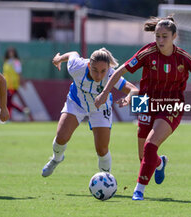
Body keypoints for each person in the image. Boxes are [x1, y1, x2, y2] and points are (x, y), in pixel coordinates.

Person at [94, 16, 191, 200]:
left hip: (172, 105)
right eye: (157, 36)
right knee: (144, 157)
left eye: (164, 36)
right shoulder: (147, 53)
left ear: (174, 36)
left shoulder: (183, 58)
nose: (160, 40)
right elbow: (119, 72)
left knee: (150, 146)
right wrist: (104, 94)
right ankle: (159, 163)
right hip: (145, 102)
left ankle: (138, 191)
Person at [41, 48, 138, 177]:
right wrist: (59, 59)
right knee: (61, 137)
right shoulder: (77, 67)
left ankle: (106, 178)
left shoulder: (111, 75)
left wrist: (128, 98)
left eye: (103, 71)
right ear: (88, 65)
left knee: (102, 150)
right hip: (77, 103)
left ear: (108, 68)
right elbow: (73, 54)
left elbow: (134, 90)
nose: (99, 76)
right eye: (95, 70)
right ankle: (56, 159)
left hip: (100, 108)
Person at [3, 47, 29, 119]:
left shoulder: (16, 62)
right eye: (9, 52)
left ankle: (8, 118)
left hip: (13, 85)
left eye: (12, 52)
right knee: (8, 102)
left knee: (8, 102)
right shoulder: (6, 62)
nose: (11, 53)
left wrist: (22, 83)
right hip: (6, 85)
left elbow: (19, 73)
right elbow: (5, 74)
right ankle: (22, 111)